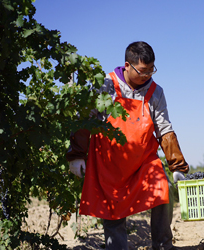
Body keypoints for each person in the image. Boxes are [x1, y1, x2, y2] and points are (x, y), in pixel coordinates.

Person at [66, 41, 189, 250]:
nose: (148, 75)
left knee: (163, 187)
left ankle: (163, 245)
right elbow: (85, 120)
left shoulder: (156, 92)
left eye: (152, 70)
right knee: (113, 210)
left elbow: (164, 129)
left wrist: (177, 165)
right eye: (143, 71)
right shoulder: (105, 86)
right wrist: (77, 155)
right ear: (127, 65)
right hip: (109, 162)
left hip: (143, 160)